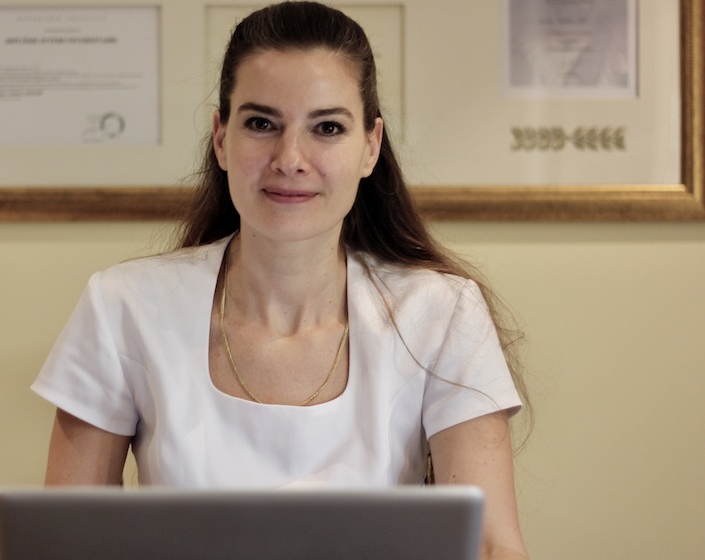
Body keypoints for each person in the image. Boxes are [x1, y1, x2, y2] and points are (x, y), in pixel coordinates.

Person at [32, 2, 531, 558]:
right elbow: (66, 545)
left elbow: (492, 546)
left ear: (370, 146)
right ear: (221, 138)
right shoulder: (123, 305)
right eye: (262, 124)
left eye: (327, 128)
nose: (290, 158)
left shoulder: (442, 311)